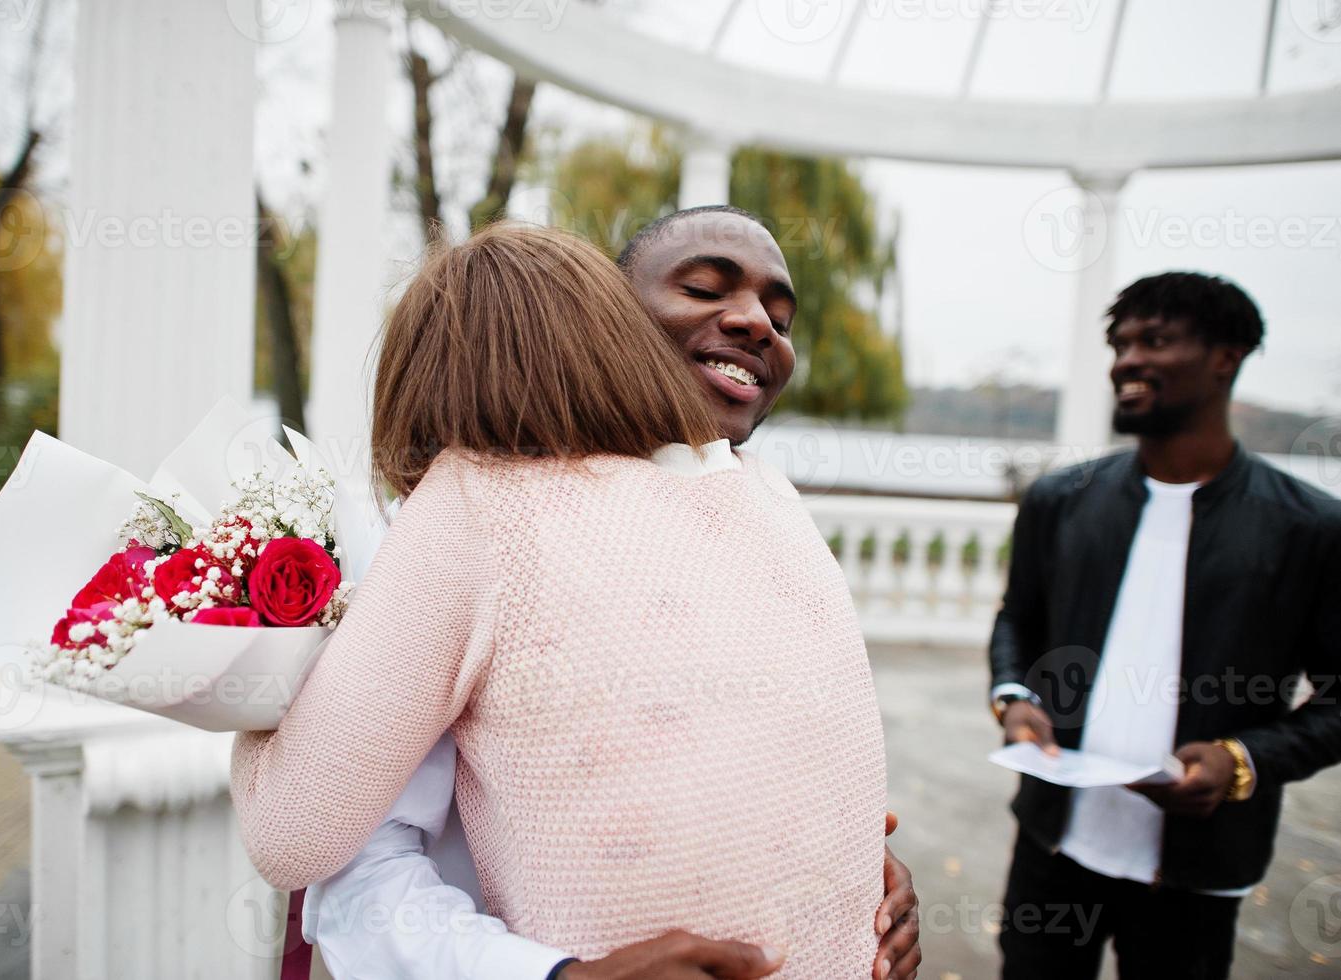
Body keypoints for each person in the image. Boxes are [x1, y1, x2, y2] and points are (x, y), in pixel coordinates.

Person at [231, 222, 895, 979]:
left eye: (780, 320)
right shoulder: (767, 499)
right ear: (613, 327)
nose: (753, 325)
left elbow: (289, 831)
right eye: (705, 291)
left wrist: (256, 681)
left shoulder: (471, 509)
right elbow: (361, 874)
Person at [988, 271, 1341, 979]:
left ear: (1225, 356)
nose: (1126, 360)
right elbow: (1015, 622)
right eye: (1118, 344)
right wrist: (1013, 698)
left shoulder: (1308, 528)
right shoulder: (1060, 500)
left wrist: (1241, 761)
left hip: (1195, 870)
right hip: (1053, 846)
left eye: (1154, 340)